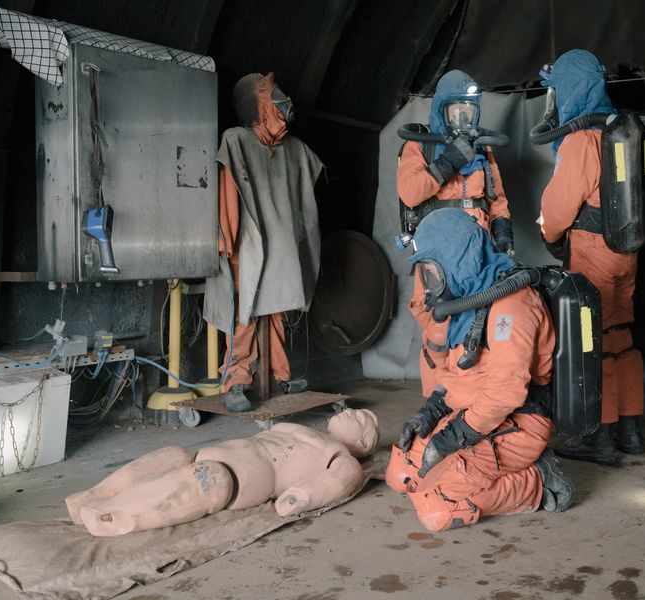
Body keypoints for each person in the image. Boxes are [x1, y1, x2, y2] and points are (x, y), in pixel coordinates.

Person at [385, 209, 574, 532]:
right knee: (400, 476)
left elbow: (505, 394)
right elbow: (461, 372)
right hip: (472, 417)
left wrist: (450, 439)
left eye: (432, 272)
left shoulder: (510, 306)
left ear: (455, 260)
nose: (429, 285)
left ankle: (538, 482)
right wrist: (431, 411)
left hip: (517, 423)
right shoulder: (470, 297)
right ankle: (469, 466)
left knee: (436, 509)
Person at [536, 49, 645, 465]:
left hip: (594, 250)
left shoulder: (583, 138)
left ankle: (596, 438)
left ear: (572, 89)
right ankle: (630, 430)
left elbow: (560, 205)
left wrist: (548, 233)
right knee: (622, 336)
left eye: (557, 90)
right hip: (626, 249)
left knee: (591, 342)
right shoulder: (622, 129)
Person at [203, 72, 323, 412]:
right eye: (273, 96)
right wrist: (226, 239)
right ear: (257, 104)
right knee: (246, 315)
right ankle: (237, 382)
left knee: (277, 311)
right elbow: (227, 191)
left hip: (280, 249)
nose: (283, 102)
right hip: (247, 247)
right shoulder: (236, 140)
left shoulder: (291, 149)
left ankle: (278, 375)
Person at [65, 408, 379, 536]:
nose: (351, 410)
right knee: (176, 455)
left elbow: (342, 481)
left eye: (361, 417)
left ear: (365, 441)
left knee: (212, 480)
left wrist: (299, 497)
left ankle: (113, 517)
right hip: (228, 450)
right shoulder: (310, 431)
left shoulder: (338, 455)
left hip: (245, 476)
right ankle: (92, 497)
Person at [397, 69, 514, 398]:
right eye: (456, 110)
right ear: (441, 109)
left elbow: (498, 199)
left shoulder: (483, 150)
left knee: (480, 319)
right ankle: (437, 401)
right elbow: (410, 192)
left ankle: (471, 400)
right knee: (437, 321)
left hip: (479, 249)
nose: (463, 117)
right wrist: (448, 161)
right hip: (439, 252)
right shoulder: (420, 145)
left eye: (469, 110)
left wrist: (504, 236)